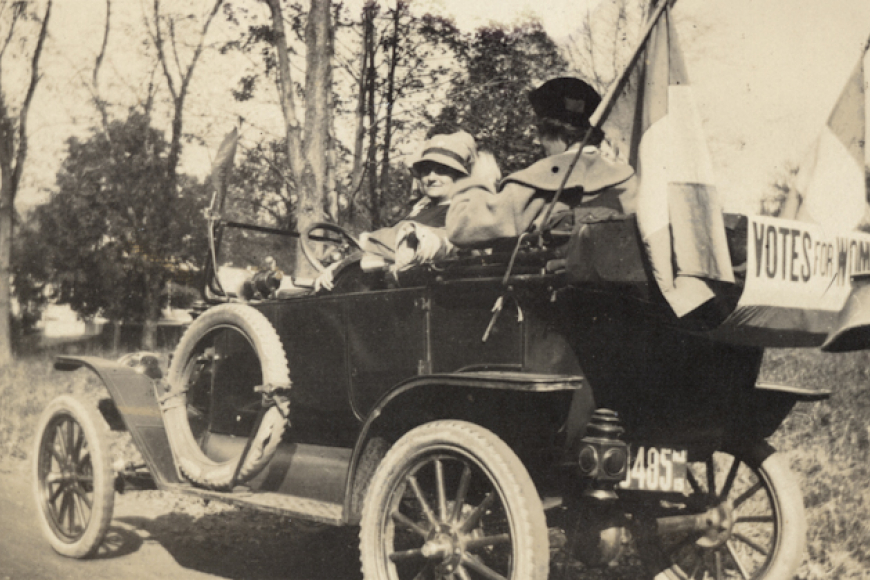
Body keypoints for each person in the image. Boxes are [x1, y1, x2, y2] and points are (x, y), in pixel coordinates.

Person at [446, 77, 637, 249]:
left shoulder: (536, 181)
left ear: (556, 133)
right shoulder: (628, 179)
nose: (539, 142)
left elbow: (461, 230)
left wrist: (478, 181)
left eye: (541, 133)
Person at [314, 131, 499, 291]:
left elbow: (406, 243)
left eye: (441, 170)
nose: (431, 177)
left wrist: (359, 250)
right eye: (426, 171)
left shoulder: (461, 211)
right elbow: (389, 243)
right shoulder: (422, 209)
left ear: (457, 176)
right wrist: (339, 266)